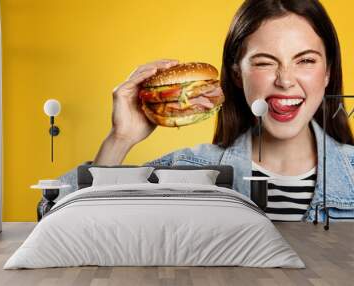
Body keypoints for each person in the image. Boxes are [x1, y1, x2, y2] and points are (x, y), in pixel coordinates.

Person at [60, 0, 354, 222]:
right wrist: (120, 139)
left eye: (306, 61)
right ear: (237, 74)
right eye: (264, 62)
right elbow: (64, 220)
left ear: (328, 72)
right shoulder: (187, 170)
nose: (285, 80)